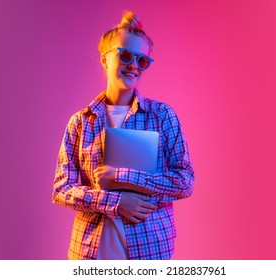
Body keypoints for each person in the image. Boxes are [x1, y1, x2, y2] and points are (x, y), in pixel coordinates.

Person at [52, 11, 194, 260]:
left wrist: (121, 176)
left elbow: (184, 181)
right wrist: (115, 202)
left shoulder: (161, 116)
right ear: (105, 60)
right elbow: (62, 189)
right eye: (126, 55)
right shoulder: (81, 122)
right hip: (90, 252)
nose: (133, 66)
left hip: (150, 249)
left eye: (142, 61)